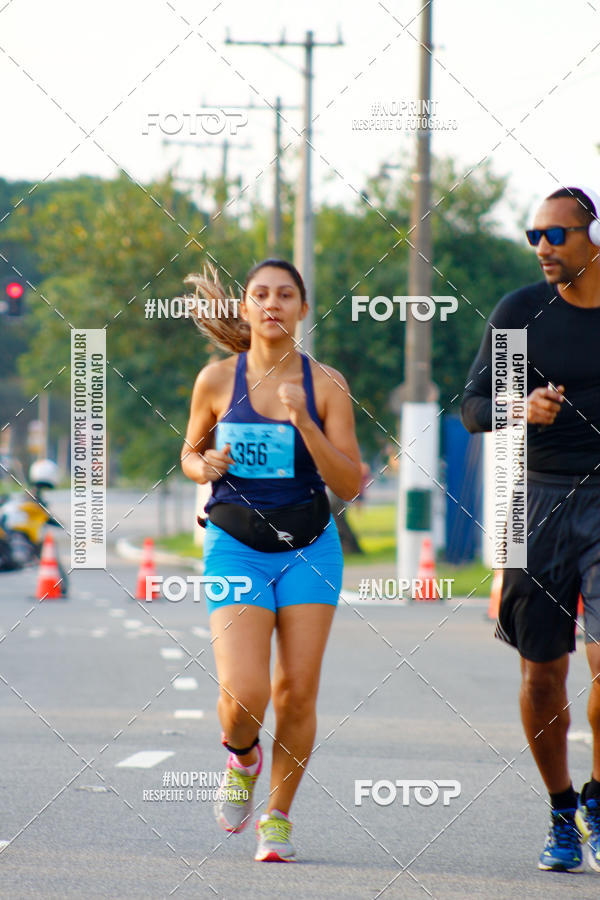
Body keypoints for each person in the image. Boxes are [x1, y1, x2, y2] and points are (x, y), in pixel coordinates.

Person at [180, 259, 361, 862]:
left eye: (286, 295)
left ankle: (277, 818)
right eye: (260, 294)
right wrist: (203, 467)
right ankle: (242, 755)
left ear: (303, 310)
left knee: (297, 692)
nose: (272, 304)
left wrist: (305, 422)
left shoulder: (326, 384)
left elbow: (352, 481)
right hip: (235, 544)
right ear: (245, 307)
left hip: (309, 547)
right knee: (244, 691)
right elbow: (189, 454)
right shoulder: (214, 381)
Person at [462, 186, 600, 873]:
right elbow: (473, 408)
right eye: (533, 236)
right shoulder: (522, 313)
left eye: (557, 235)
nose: (543, 248)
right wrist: (521, 405)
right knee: (542, 673)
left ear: (593, 237)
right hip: (533, 500)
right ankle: (561, 810)